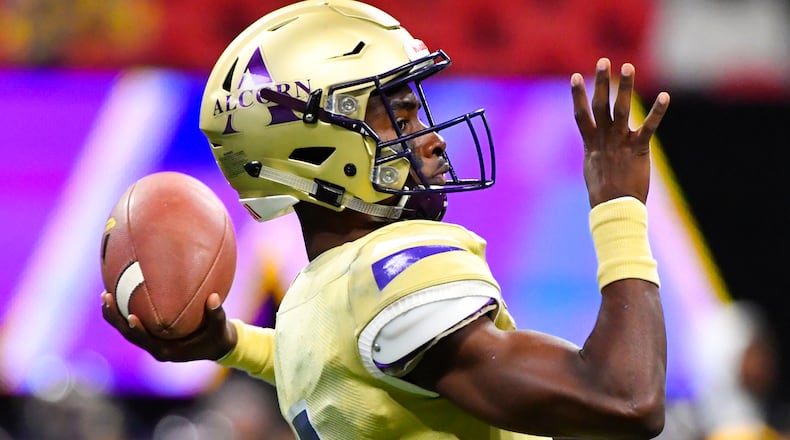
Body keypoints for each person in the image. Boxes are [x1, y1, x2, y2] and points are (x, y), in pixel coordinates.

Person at [101, 1, 671, 438]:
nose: (432, 139)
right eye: (400, 117)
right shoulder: (394, 270)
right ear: (316, 145)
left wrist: (227, 342)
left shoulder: (312, 299)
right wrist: (618, 205)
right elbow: (623, 399)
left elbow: (336, 362)